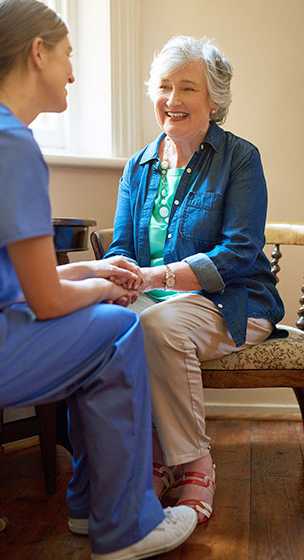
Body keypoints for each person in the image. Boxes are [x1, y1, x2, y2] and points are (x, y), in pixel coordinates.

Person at [0, 2, 197, 558]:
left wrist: (91, 269)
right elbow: (43, 298)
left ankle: (94, 508)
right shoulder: (6, 142)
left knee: (104, 322)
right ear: (37, 52)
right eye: (67, 55)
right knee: (117, 330)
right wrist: (109, 288)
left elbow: (1, 277)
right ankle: (125, 526)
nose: (71, 72)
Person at [103, 35, 285, 525]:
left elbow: (239, 252)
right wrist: (121, 277)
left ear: (215, 102)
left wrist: (157, 275)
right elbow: (121, 245)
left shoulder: (240, 159)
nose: (173, 100)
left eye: (189, 88)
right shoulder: (138, 166)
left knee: (160, 326)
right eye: (164, 86)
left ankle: (195, 466)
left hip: (233, 304)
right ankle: (145, 460)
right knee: (105, 326)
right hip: (154, 303)